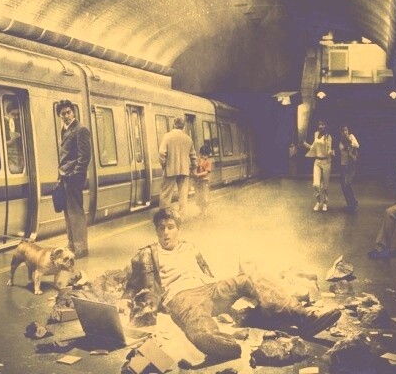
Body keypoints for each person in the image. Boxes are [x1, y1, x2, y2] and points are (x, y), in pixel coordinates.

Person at [121, 208, 342, 364]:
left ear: (179, 229)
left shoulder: (190, 248)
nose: (166, 232)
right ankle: (218, 343)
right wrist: (124, 300)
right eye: (161, 228)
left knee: (249, 278)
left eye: (170, 227)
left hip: (209, 287)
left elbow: (207, 273)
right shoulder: (147, 254)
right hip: (181, 295)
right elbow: (132, 284)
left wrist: (228, 298)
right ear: (156, 231)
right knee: (198, 322)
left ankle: (304, 317)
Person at [57, 100, 91, 258]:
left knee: (76, 213)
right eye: (62, 114)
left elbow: (85, 156)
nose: (66, 116)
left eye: (68, 112)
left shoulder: (80, 129)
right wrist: (61, 175)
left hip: (73, 178)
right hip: (64, 176)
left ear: (73, 113)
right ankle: (71, 244)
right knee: (68, 213)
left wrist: (75, 175)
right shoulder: (64, 129)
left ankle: (81, 247)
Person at [159, 117, 198, 212]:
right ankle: (182, 213)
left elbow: (161, 153)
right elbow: (193, 156)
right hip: (184, 170)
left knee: (166, 193)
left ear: (173, 124)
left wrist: (164, 165)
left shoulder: (167, 136)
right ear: (183, 126)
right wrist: (194, 168)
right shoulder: (188, 139)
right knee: (183, 194)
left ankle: (165, 213)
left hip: (170, 169)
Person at [304, 120, 333, 211]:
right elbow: (313, 147)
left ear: (325, 126)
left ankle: (325, 203)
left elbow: (329, 149)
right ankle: (318, 202)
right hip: (317, 162)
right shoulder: (316, 134)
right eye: (319, 124)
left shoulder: (328, 136)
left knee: (325, 186)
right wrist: (305, 144)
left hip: (326, 162)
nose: (320, 126)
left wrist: (330, 152)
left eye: (322, 124)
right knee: (316, 184)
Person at [338, 125, 360, 211]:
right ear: (341, 132)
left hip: (351, 165)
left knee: (347, 184)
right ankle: (350, 203)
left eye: (346, 130)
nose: (345, 132)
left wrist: (349, 141)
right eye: (343, 130)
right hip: (343, 165)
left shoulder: (351, 136)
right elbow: (342, 149)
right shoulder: (341, 142)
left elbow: (357, 145)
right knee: (344, 186)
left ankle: (353, 203)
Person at [192, 145, 212, 217]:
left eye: (206, 155)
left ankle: (205, 212)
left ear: (208, 155)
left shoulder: (208, 162)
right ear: (200, 154)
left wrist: (198, 175)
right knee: (198, 197)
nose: (204, 156)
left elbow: (206, 172)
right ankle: (201, 212)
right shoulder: (198, 160)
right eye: (202, 154)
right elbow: (195, 167)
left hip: (204, 181)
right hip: (198, 182)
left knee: (204, 196)